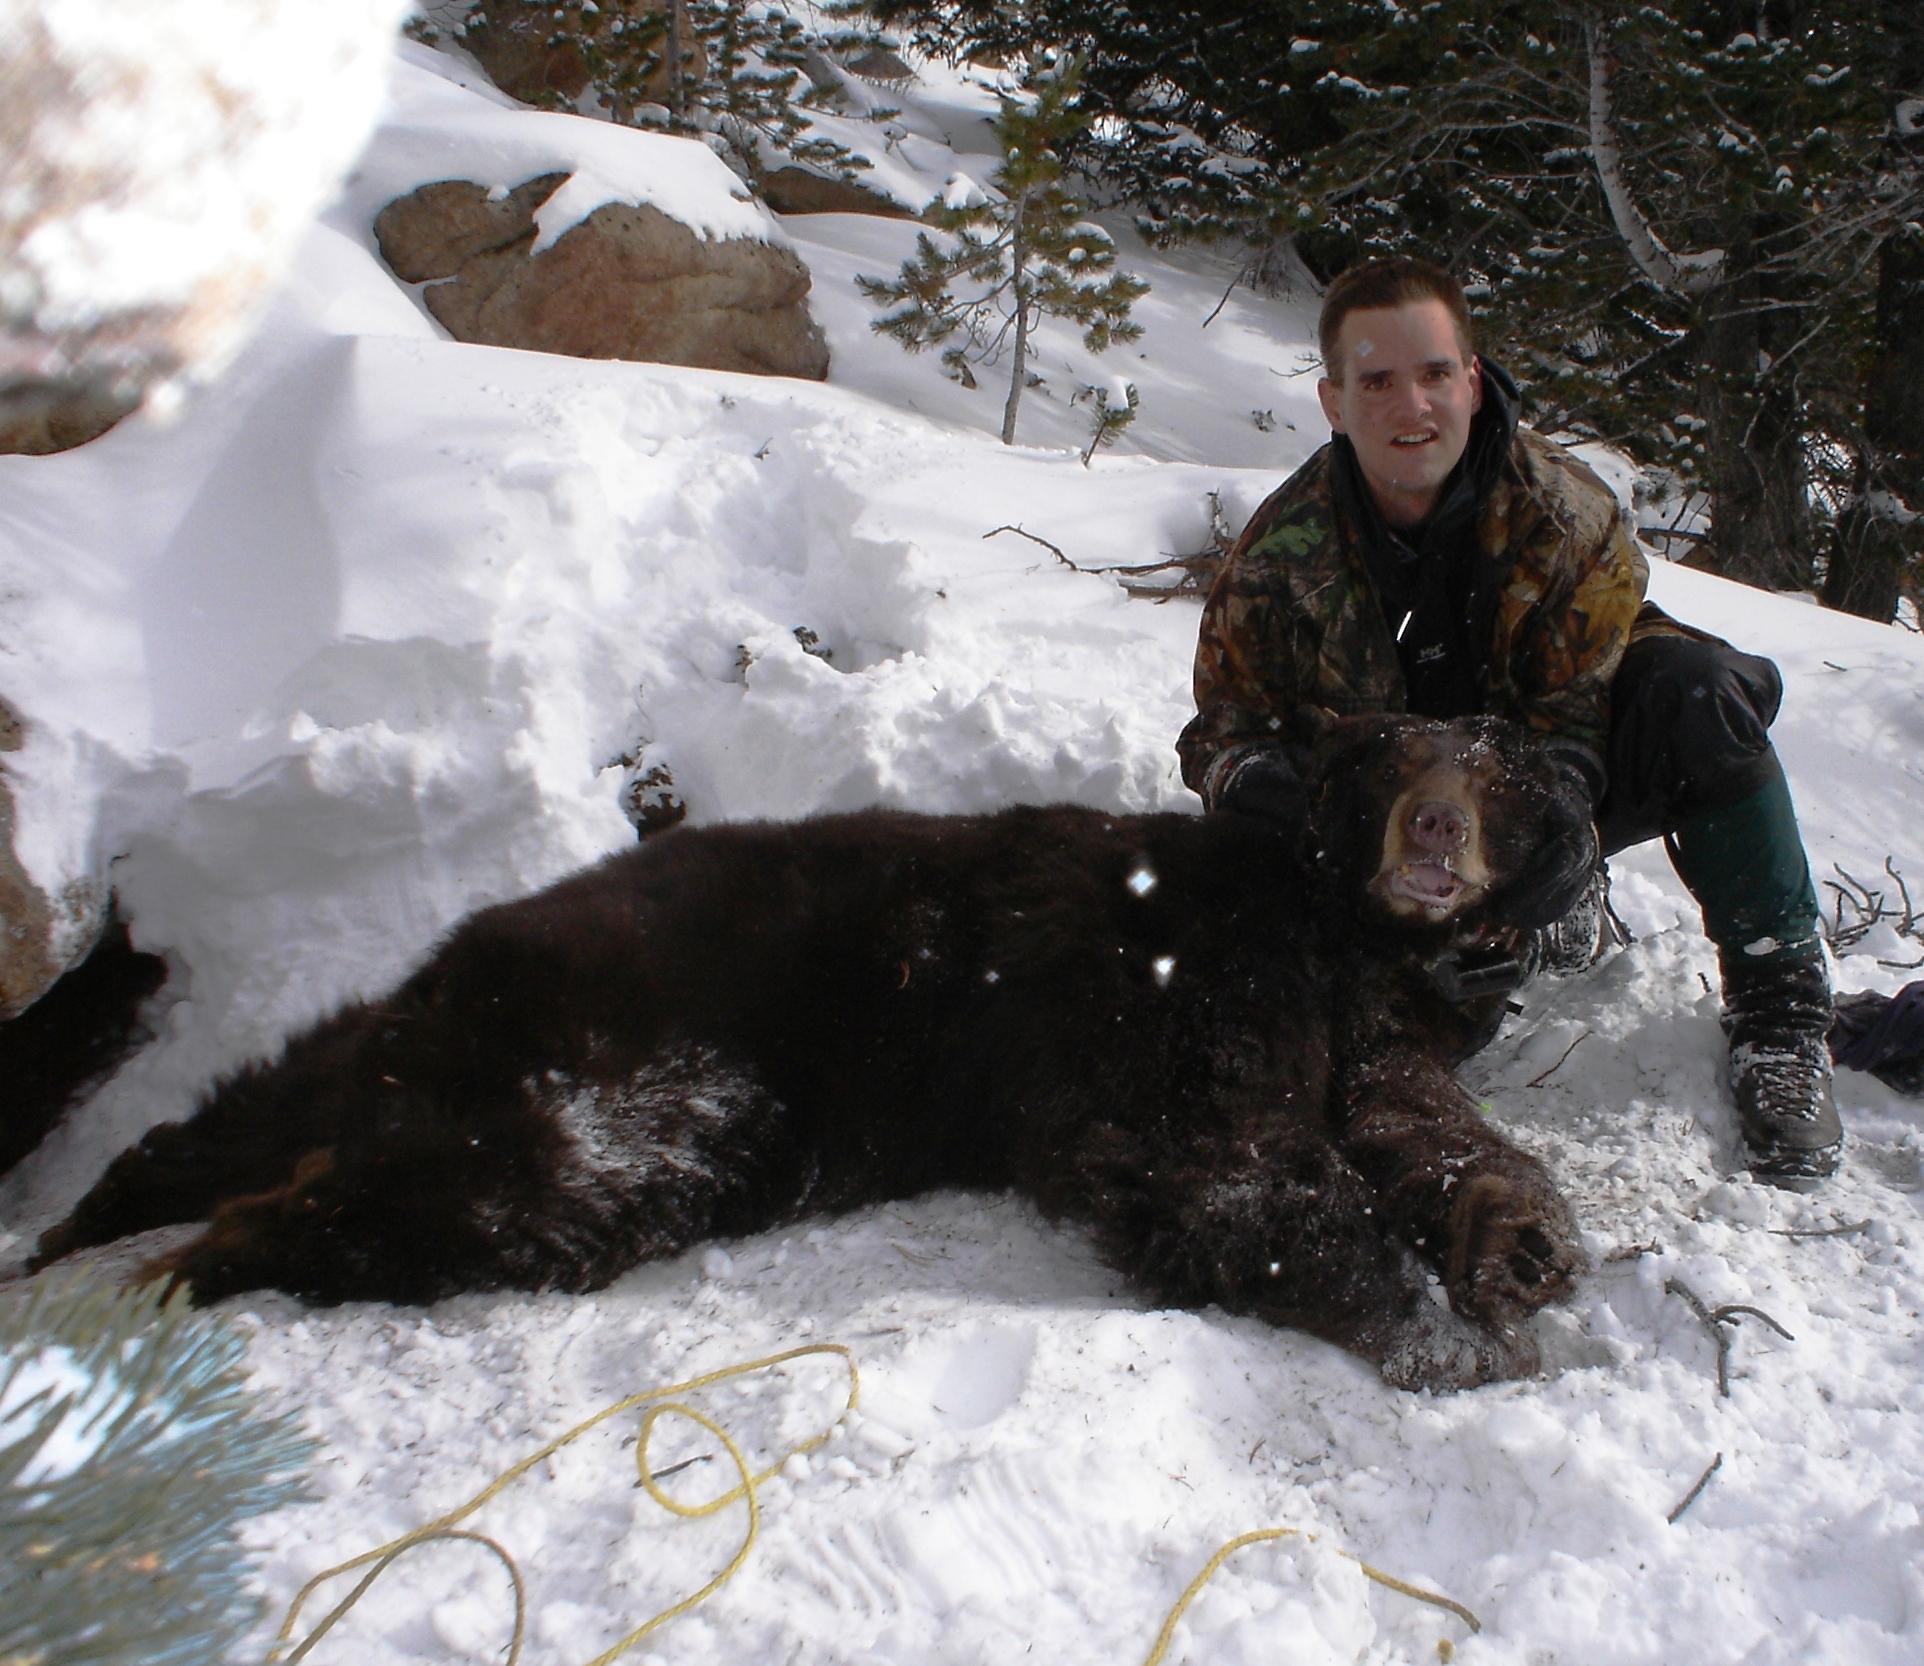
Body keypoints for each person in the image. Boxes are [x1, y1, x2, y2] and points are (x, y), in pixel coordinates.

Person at [1176, 255, 1841, 1187]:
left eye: (1435, 374)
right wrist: (1319, 825)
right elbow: (1221, 738)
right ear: (1332, 401)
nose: (1412, 408)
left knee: (1698, 689)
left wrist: (1554, 845)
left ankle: (1781, 1013)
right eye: (1377, 381)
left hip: (1530, 783)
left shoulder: (1565, 515)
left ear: (1474, 380)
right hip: (1394, 829)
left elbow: (1574, 719)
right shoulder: (1281, 555)